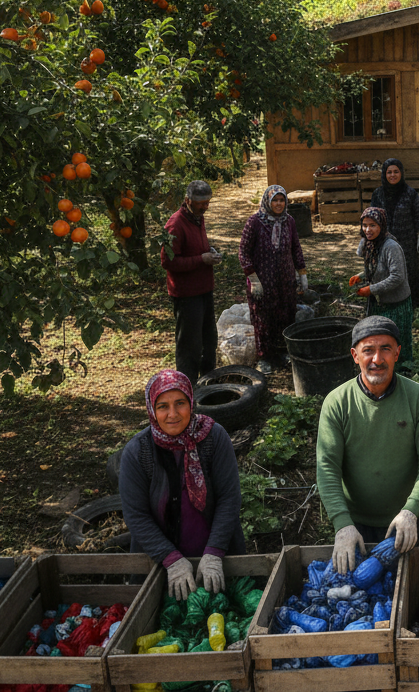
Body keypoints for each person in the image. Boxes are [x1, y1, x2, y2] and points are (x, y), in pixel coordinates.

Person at [316, 316, 419, 571]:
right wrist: (342, 523)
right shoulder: (337, 402)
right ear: (355, 355)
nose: (377, 359)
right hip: (356, 525)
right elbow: (327, 466)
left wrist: (411, 510)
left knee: (417, 594)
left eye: (385, 348)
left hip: (407, 521)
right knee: (361, 599)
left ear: (397, 353)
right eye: (368, 350)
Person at [119, 369, 244, 602]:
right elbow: (136, 516)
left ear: (191, 403)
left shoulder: (214, 437)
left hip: (217, 559)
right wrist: (171, 559)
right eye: (163, 406)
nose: (173, 414)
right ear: (152, 410)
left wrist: (214, 553)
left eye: (180, 403)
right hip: (159, 564)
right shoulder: (138, 452)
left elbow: (229, 498)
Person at [238, 185, 308, 375]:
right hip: (262, 281)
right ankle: (264, 358)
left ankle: (281, 353)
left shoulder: (289, 221)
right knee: (263, 319)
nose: (278, 204)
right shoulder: (254, 222)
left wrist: (302, 273)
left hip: (284, 280)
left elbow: (296, 248)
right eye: (275, 200)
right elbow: (243, 252)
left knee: (285, 315)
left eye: (281, 200)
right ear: (267, 201)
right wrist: (253, 278)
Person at [161, 180, 223, 385]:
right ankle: (187, 387)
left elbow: (195, 248)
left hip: (205, 289)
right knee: (190, 345)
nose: (206, 206)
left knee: (209, 340)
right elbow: (167, 261)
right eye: (201, 203)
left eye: (208, 202)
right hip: (187, 295)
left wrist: (209, 251)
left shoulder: (198, 217)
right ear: (188, 201)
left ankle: (208, 384)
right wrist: (201, 259)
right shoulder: (175, 224)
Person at [350, 207, 414, 371]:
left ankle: (403, 372)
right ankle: (382, 369)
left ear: (381, 225)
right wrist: (362, 276)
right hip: (379, 303)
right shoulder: (369, 244)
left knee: (397, 341)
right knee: (379, 340)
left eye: (372, 225)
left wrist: (371, 289)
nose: (367, 230)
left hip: (396, 303)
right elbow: (376, 269)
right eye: (364, 225)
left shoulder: (391, 247)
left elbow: (397, 277)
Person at [369, 158, 419, 308]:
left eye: (396, 171)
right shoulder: (378, 194)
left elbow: (418, 215)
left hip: (407, 241)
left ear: (401, 173)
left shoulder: (410, 193)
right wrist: (368, 237)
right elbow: (371, 216)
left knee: (409, 271)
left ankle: (412, 302)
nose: (393, 175)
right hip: (384, 242)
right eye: (389, 172)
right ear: (384, 174)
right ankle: (388, 300)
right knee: (386, 270)